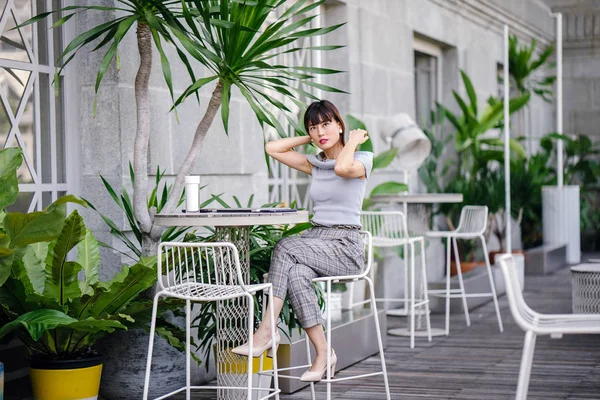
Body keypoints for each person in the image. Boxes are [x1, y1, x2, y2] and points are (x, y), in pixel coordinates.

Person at [232, 100, 373, 382]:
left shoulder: (361, 159)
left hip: (346, 248)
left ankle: (265, 332)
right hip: (316, 241)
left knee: (285, 246)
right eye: (313, 126)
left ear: (339, 124)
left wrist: (353, 140)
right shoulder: (315, 163)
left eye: (325, 124)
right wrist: (309, 139)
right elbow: (272, 148)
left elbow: (343, 168)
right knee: (295, 274)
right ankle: (324, 353)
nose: (320, 131)